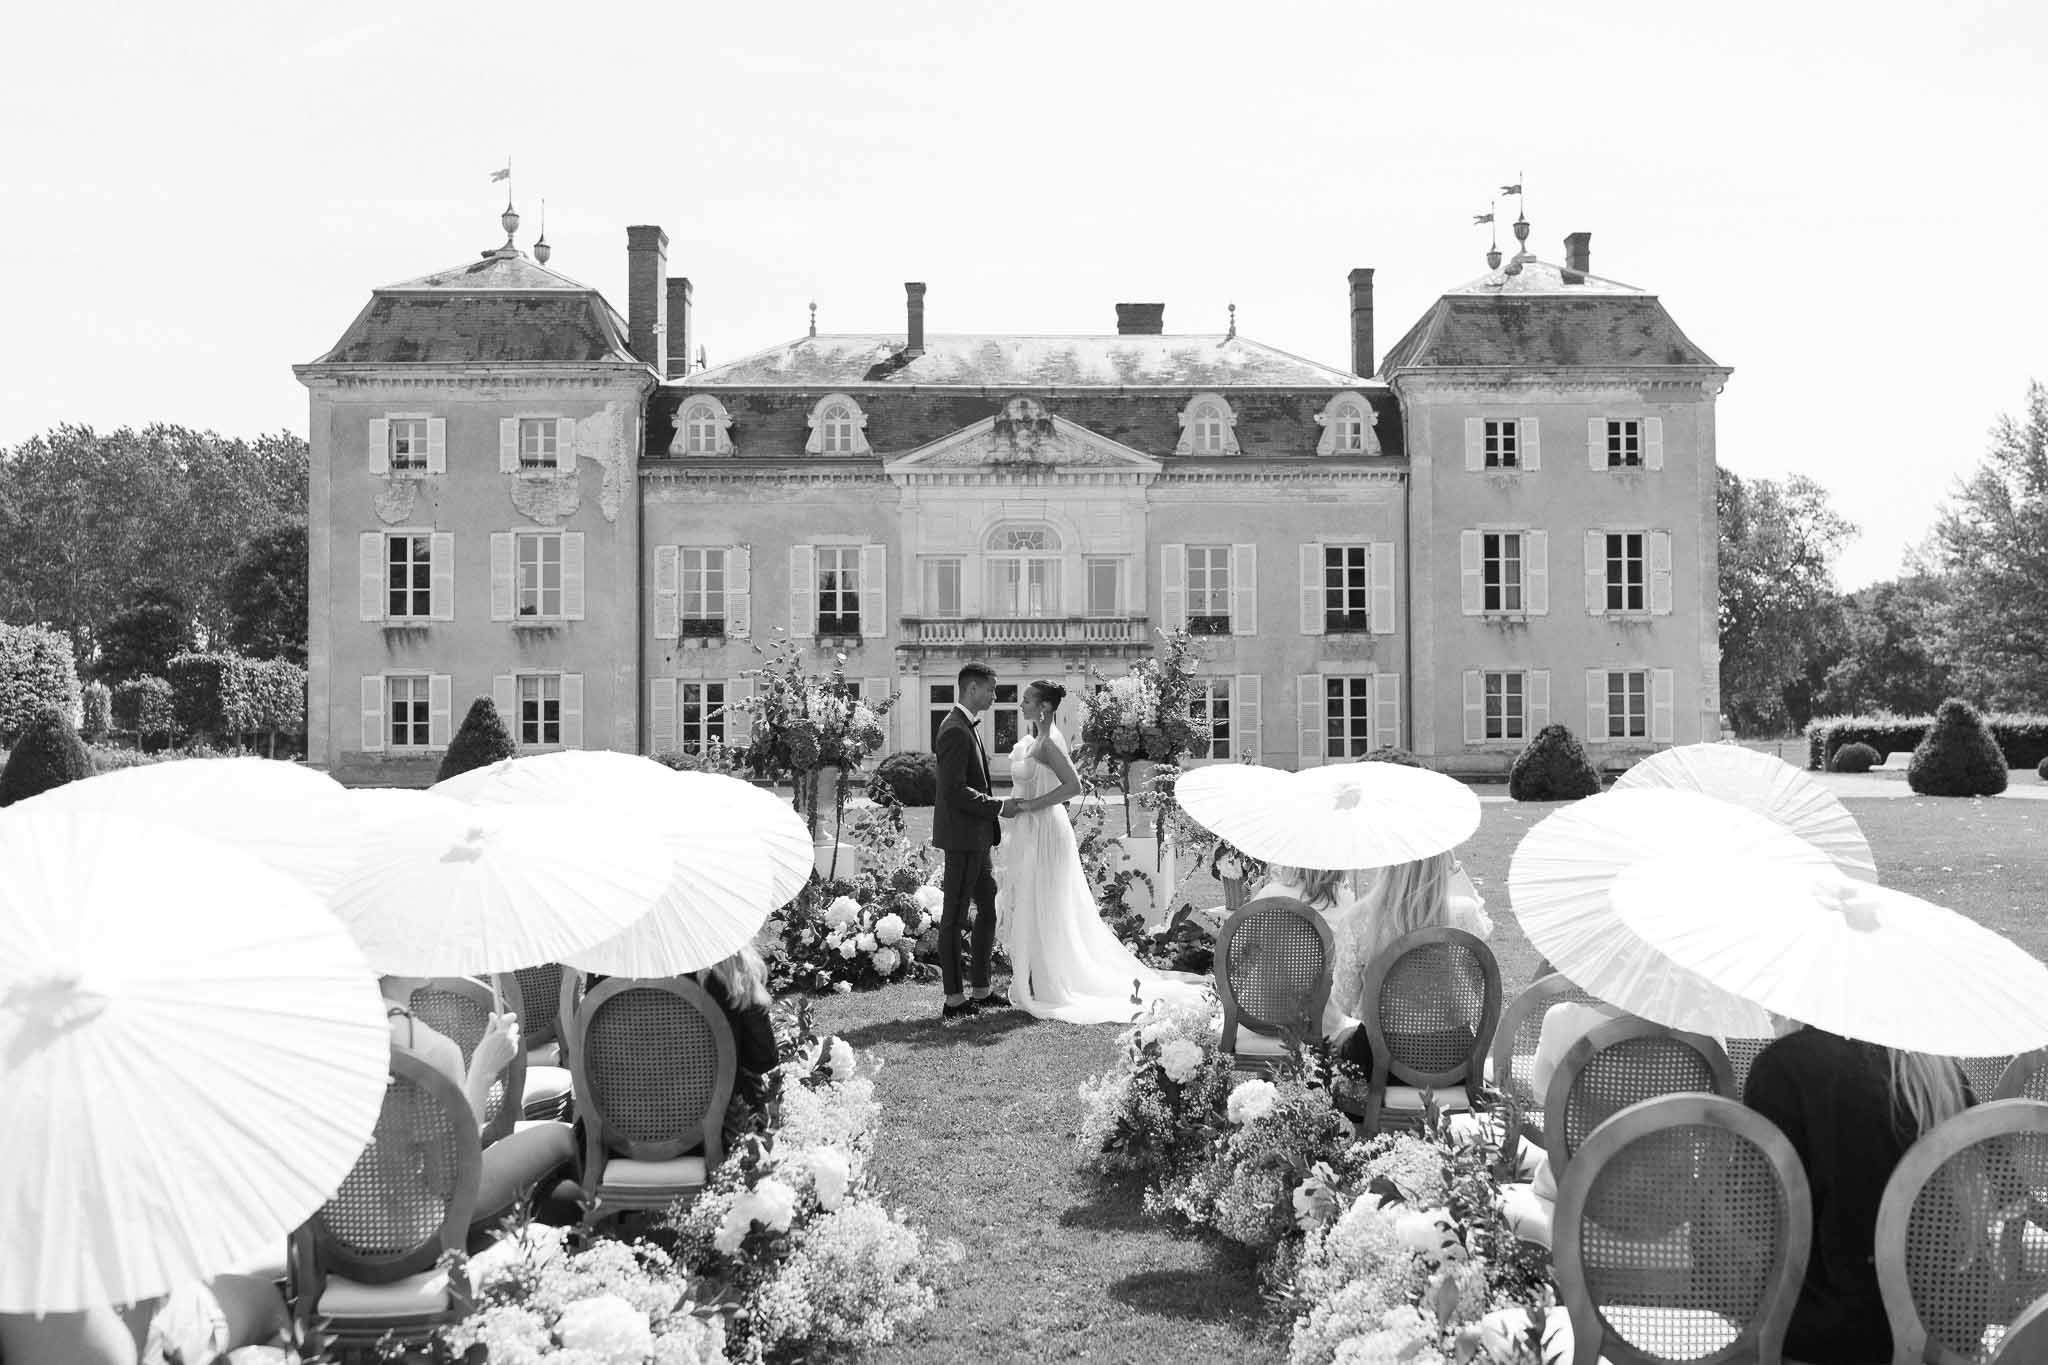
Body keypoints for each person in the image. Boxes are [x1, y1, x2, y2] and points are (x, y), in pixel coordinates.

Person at [1741, 1021, 1975, 1363]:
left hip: (1824, 1336)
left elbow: (1750, 1226)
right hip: (1940, 1332)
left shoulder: (1784, 1069)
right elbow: (1997, 1195)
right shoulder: (1942, 1073)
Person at [995, 679, 1210, 1024]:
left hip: (1045, 828)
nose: (1021, 705)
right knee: (1034, 896)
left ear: (1044, 707)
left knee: (1047, 898)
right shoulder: (1037, 739)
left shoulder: (1049, 742)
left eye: (1026, 701)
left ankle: (1053, 978)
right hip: (1032, 828)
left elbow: (1073, 786)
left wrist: (1028, 806)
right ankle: (1039, 971)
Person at [380, 978, 578, 1234]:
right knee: (564, 1137)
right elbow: (456, 1174)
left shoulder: (327, 1033)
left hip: (344, 1235)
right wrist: (483, 1069)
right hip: (419, 1234)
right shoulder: (434, 1050)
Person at [1328, 850, 1494, 1074]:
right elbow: (1477, 982)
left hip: (1380, 1062)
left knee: (1334, 1049)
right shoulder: (1466, 915)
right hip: (1454, 1060)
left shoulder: (1360, 919)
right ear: (1442, 861)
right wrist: (1455, 872)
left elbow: (1343, 1001)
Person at [930, 661, 1021, 1022]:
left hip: (978, 838)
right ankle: (953, 998)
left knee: (988, 909)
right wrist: (998, 806)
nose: (995, 695)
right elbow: (954, 792)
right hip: (963, 839)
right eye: (991, 689)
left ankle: (981, 989)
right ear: (972, 689)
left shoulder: (967, 726)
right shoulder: (954, 729)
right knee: (954, 917)